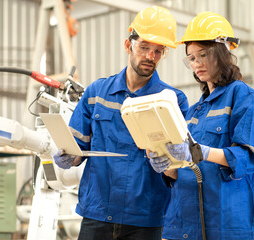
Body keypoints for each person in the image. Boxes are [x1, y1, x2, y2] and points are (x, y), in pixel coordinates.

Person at [53, 6, 189, 240]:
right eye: (144, 47)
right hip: (97, 213)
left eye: (158, 51)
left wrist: (172, 163)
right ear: (128, 45)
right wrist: (67, 155)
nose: (150, 56)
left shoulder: (172, 100)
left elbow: (181, 166)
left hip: (146, 218)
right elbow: (77, 148)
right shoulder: (97, 93)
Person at [149, 11, 254, 240]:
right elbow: (184, 171)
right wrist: (167, 165)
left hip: (227, 225)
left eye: (202, 54)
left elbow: (247, 158)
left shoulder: (242, 95)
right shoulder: (194, 110)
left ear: (222, 52)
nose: (197, 64)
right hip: (185, 226)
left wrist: (201, 152)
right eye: (191, 58)